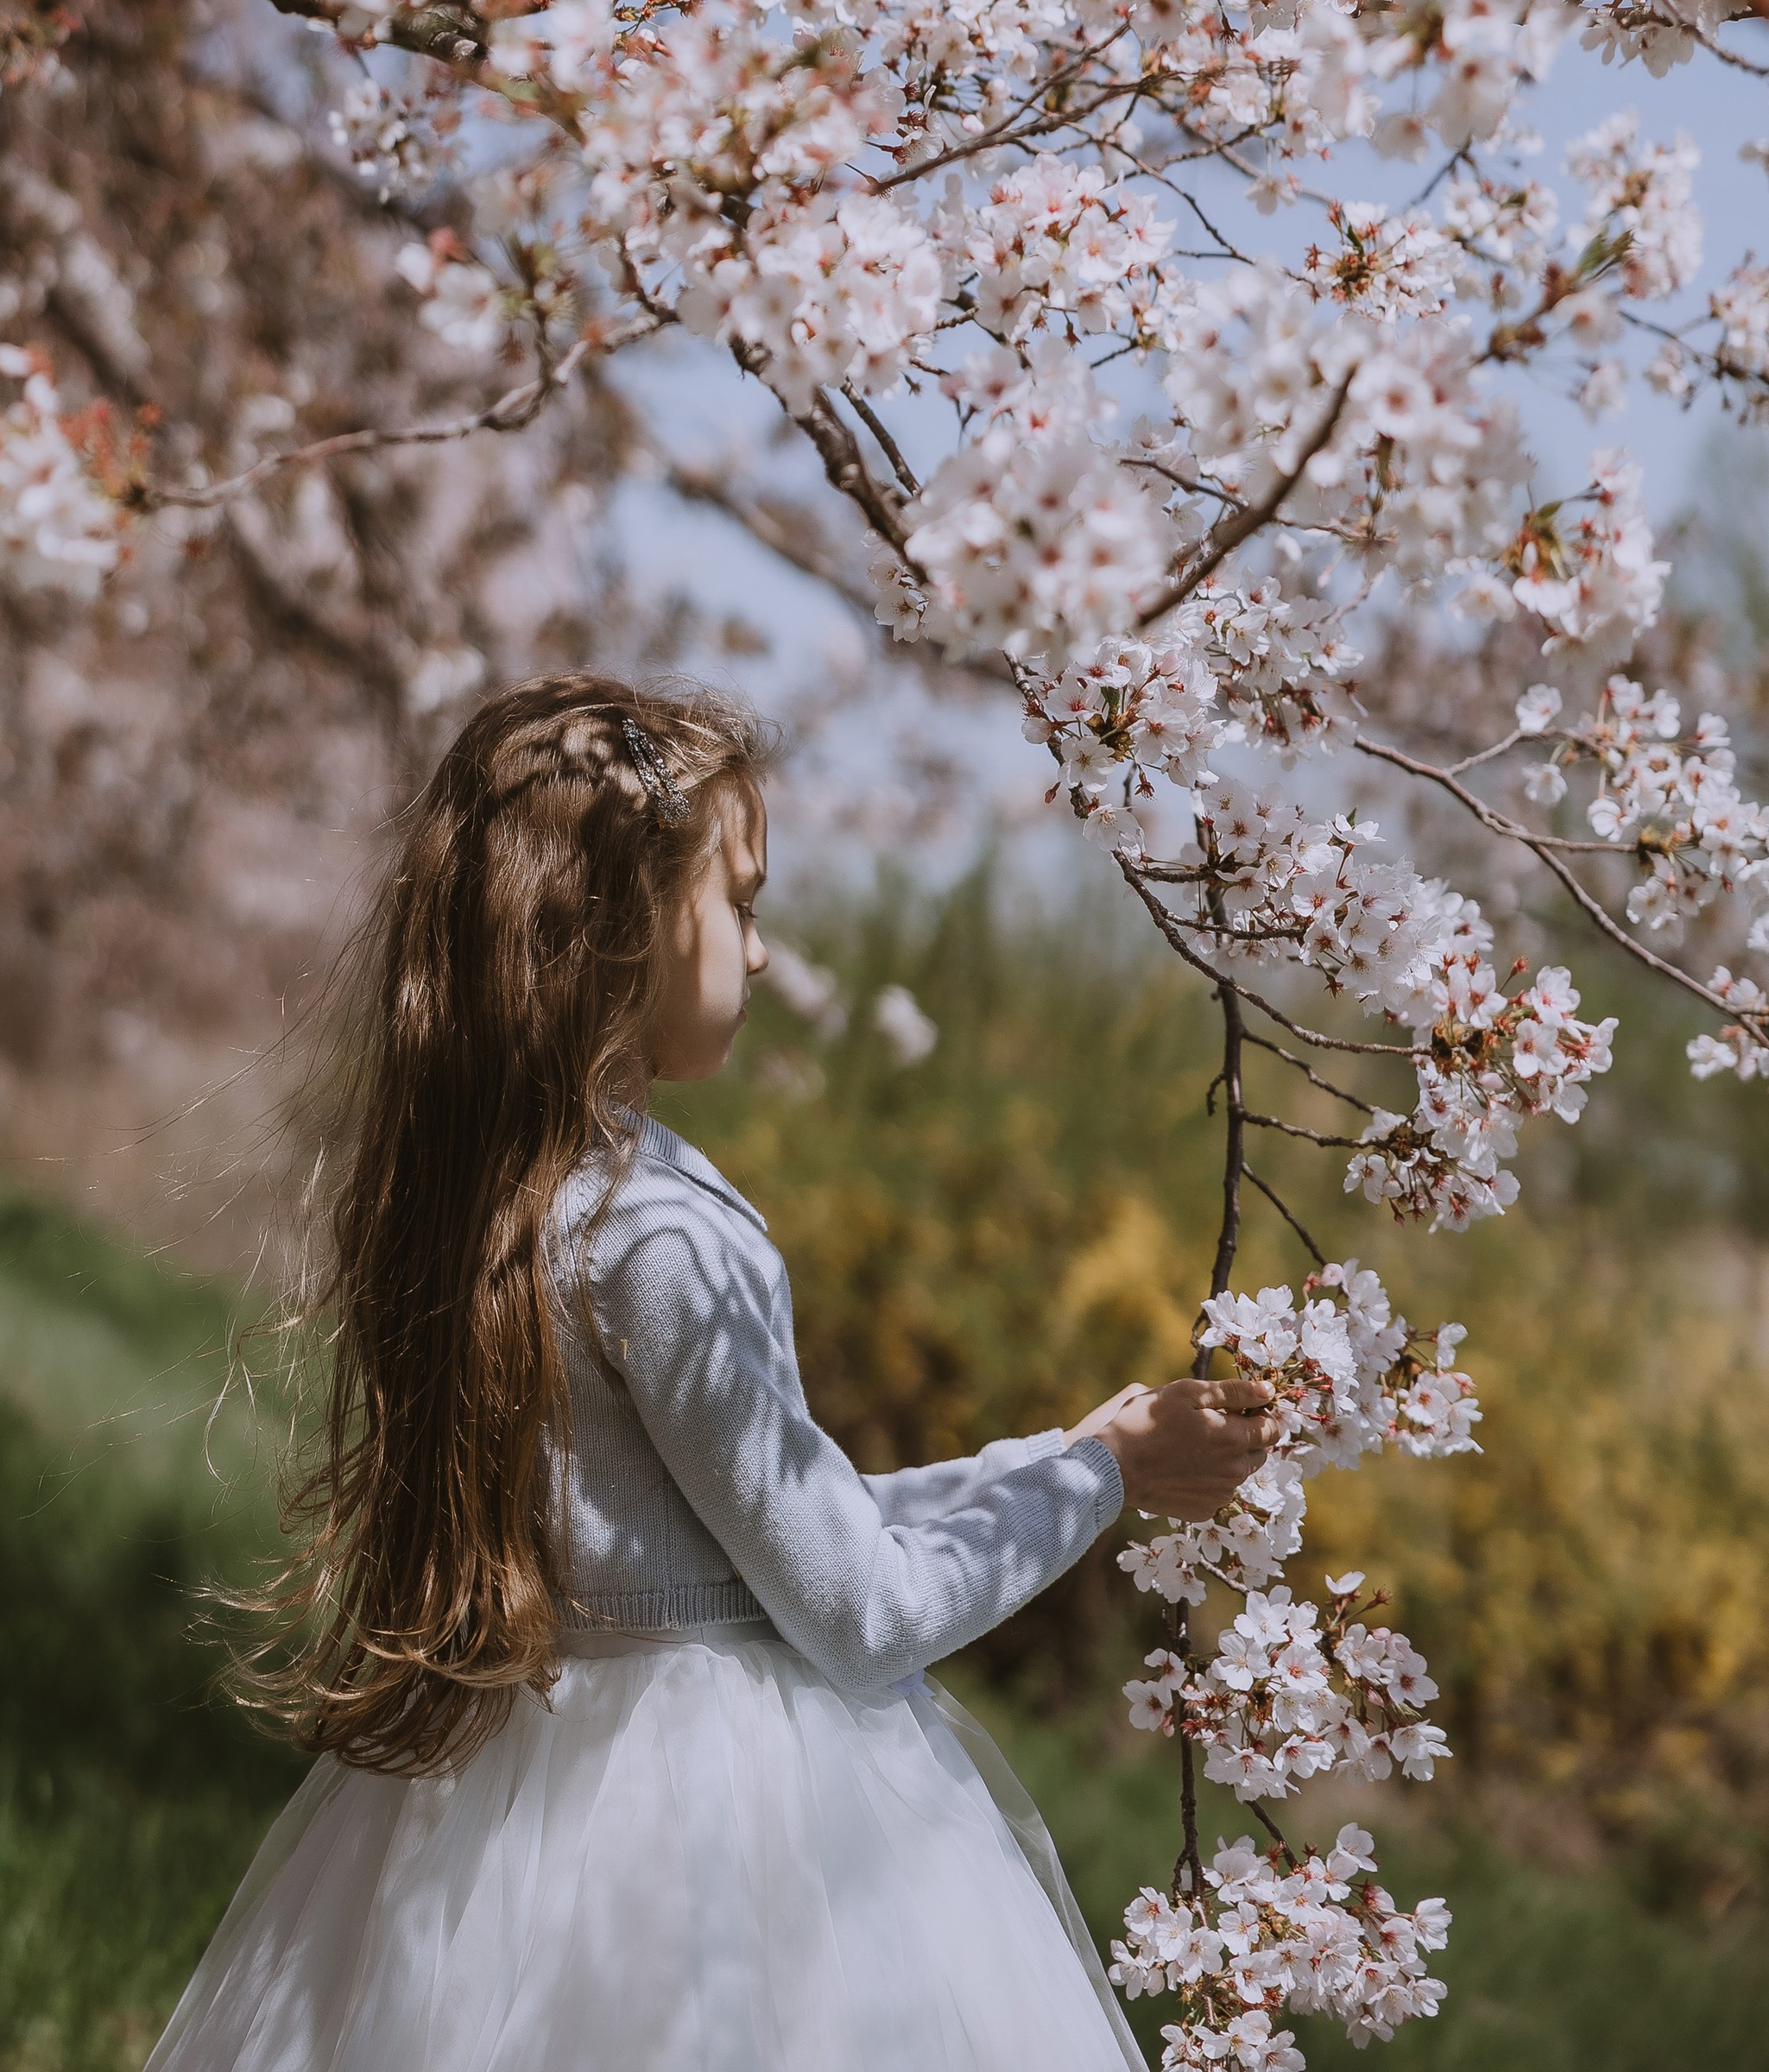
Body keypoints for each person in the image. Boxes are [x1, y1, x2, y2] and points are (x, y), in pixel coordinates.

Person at [153, 675, 1278, 2072]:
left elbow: (768, 1521)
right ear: (618, 919)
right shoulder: (662, 1227)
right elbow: (862, 1611)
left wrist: (1059, 1452)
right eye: (738, 902)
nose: (758, 948)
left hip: (515, 1800)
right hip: (728, 1835)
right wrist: (1104, 1478)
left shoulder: (496, 1198)